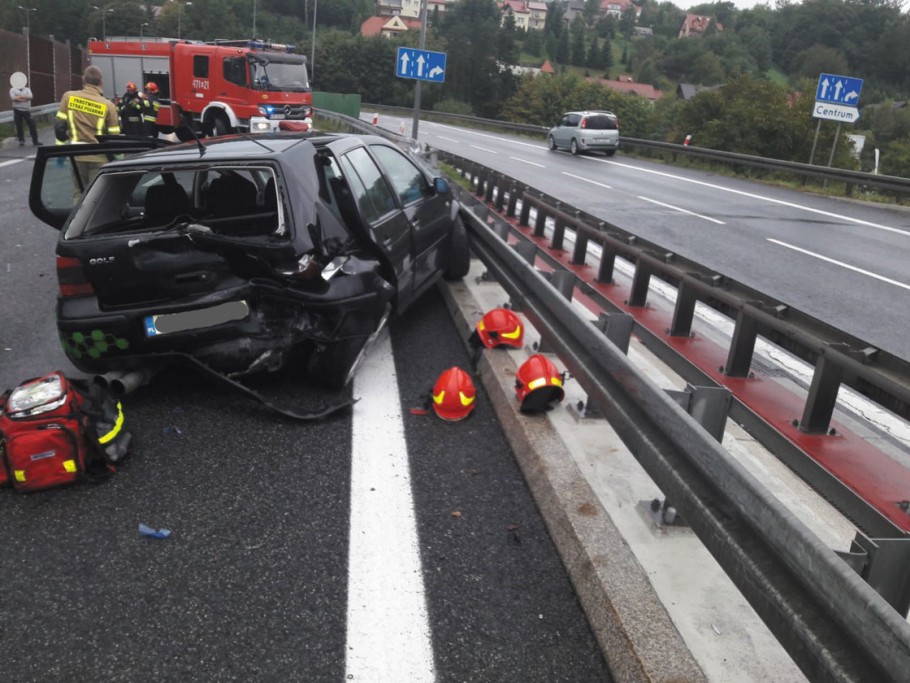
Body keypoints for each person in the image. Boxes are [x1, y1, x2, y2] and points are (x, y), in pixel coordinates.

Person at [54, 65, 121, 193]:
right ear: (101, 82)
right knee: (96, 196)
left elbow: (59, 127)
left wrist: (60, 150)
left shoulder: (69, 97)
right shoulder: (108, 105)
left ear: (84, 79)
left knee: (79, 194)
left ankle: (79, 213)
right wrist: (117, 157)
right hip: (99, 157)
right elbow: (114, 136)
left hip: (77, 155)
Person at [8, 72, 40, 146]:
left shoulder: (27, 89)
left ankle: (35, 141)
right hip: (17, 110)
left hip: (26, 110)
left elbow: (31, 96)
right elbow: (13, 98)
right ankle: (21, 140)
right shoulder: (13, 89)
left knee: (32, 125)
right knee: (19, 126)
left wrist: (19, 97)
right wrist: (25, 98)